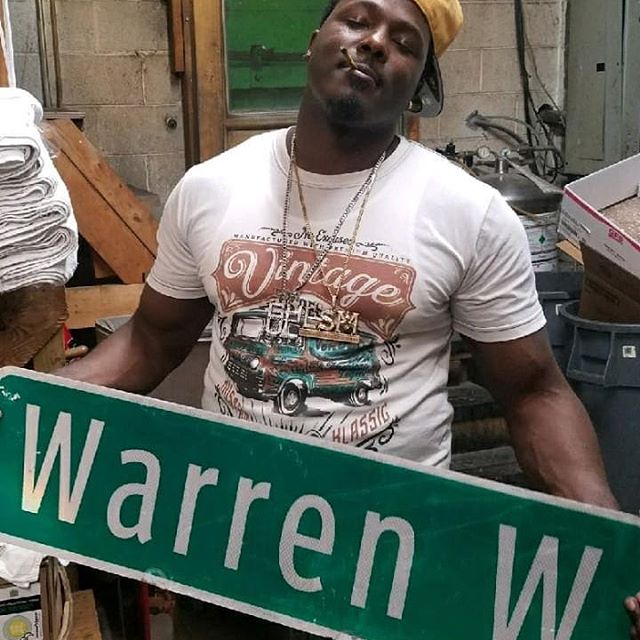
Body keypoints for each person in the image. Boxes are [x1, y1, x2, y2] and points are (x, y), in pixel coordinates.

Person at [58, 0, 640, 636]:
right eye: (358, 20)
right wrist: (27, 404)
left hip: (389, 564)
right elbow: (149, 341)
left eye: (406, 42)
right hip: (230, 551)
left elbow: (533, 394)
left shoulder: (468, 213)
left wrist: (617, 549)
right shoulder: (210, 188)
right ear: (314, 40)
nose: (375, 43)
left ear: (419, 85)